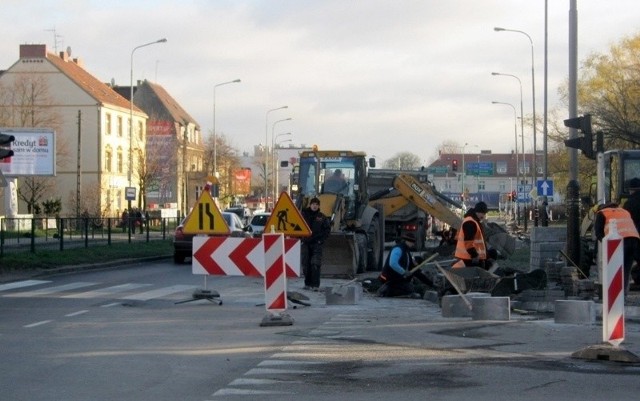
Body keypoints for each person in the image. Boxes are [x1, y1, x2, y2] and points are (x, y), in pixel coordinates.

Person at [594, 202, 640, 295]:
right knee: (626, 268)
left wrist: (607, 245)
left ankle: (617, 295)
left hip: (620, 241)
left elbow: (598, 233)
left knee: (615, 268)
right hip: (634, 239)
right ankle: (623, 294)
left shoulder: (602, 213)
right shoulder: (624, 211)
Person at [452, 201, 497, 269]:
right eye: (483, 214)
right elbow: (468, 243)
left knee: (493, 253)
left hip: (470, 256)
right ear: (478, 212)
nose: (484, 216)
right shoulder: (470, 222)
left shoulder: (473, 221)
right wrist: (475, 256)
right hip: (469, 258)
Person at [377, 232, 422, 298]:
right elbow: (393, 264)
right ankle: (385, 291)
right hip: (390, 278)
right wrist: (404, 272)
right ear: (407, 241)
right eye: (412, 242)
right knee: (409, 289)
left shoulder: (406, 251)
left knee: (410, 287)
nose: (413, 244)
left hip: (397, 277)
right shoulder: (398, 249)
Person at [301, 197, 331, 291]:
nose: (315, 206)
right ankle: (307, 283)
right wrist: (300, 238)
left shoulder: (321, 217)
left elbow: (327, 230)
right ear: (310, 205)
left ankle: (315, 285)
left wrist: (320, 240)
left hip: (317, 244)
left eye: (317, 204)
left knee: (315, 264)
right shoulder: (303, 215)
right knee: (306, 264)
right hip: (306, 243)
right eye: (313, 204)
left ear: (318, 206)